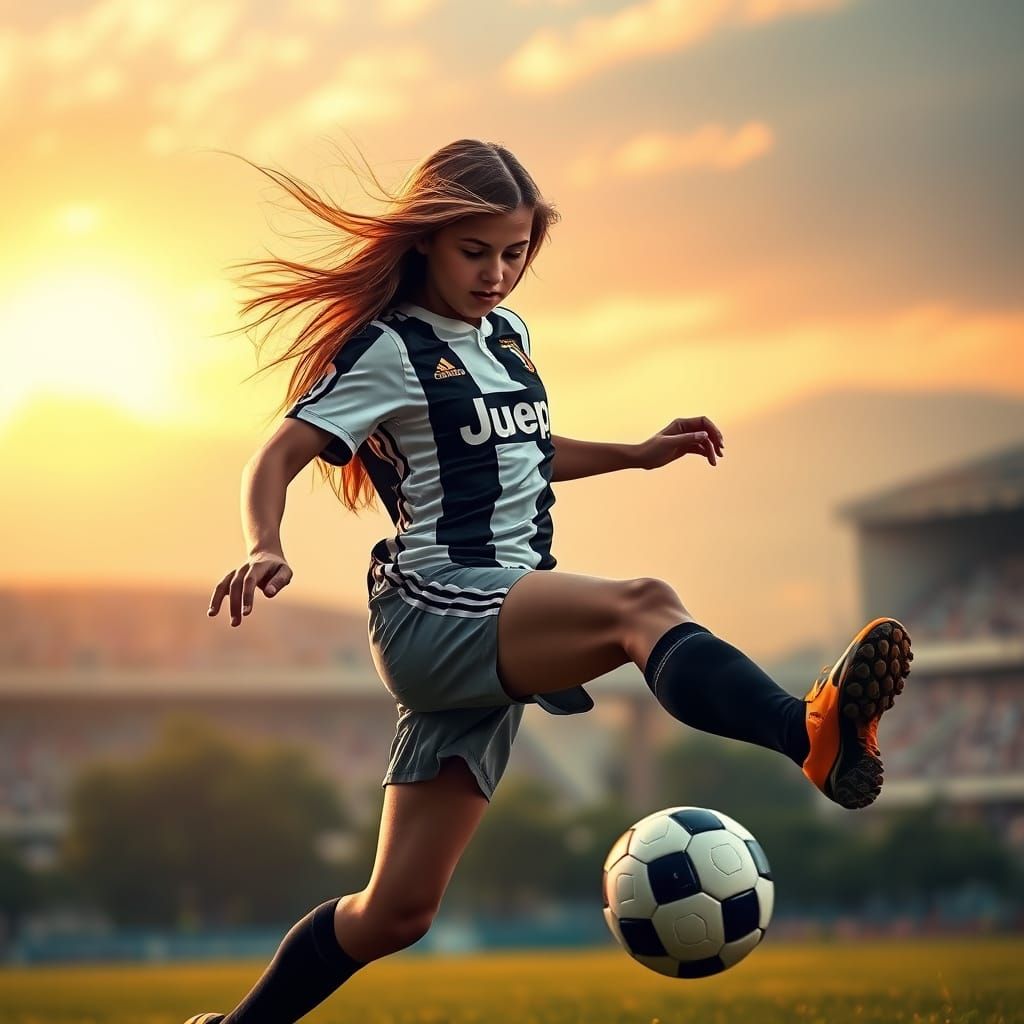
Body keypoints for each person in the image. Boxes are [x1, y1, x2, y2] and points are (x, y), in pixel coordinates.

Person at [194, 138, 912, 1024]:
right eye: (475, 251)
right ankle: (807, 733)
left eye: (516, 252)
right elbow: (280, 449)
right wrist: (265, 541)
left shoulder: (508, 336)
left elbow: (523, 451)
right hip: (435, 605)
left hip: (494, 619)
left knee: (397, 913)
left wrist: (636, 454)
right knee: (641, 607)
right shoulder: (385, 347)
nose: (497, 273)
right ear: (425, 239)